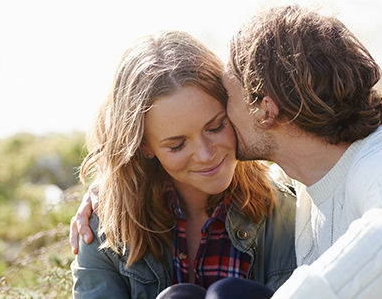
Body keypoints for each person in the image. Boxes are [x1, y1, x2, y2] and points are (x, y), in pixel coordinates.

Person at [72, 5, 382, 299]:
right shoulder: (314, 188)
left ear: (265, 109)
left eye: (221, 112)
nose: (211, 144)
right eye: (175, 143)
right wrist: (111, 186)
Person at [70, 30, 297, 299]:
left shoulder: (281, 212)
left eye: (215, 126)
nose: (204, 154)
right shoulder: (108, 225)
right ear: (144, 147)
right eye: (177, 145)